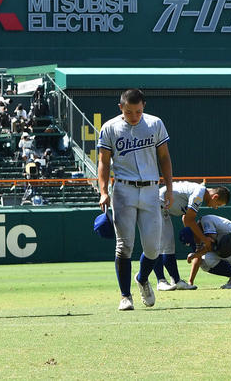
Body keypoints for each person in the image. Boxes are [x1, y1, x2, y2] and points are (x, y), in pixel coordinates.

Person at [97, 88, 174, 312]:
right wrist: (103, 190)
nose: (134, 116)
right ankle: (125, 295)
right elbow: (103, 161)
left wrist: (169, 188)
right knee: (124, 246)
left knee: (153, 248)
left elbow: (164, 157)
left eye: (138, 111)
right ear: (121, 107)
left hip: (151, 189)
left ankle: (142, 278)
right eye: (129, 112)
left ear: (144, 107)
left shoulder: (155, 124)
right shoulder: (110, 127)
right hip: (123, 190)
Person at [148, 180, 230, 291]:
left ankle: (175, 281)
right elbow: (188, 219)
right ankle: (161, 281)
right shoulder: (199, 194)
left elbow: (186, 219)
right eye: (218, 205)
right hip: (157, 206)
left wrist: (197, 240)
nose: (216, 207)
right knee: (160, 246)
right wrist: (204, 239)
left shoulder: (200, 192)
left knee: (168, 246)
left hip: (162, 208)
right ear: (215, 197)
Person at [185, 213, 231, 289]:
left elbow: (211, 245)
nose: (195, 242)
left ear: (194, 232)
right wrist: (190, 282)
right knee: (204, 264)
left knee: (208, 257)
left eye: (193, 240)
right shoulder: (199, 231)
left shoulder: (206, 221)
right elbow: (198, 257)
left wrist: (195, 254)